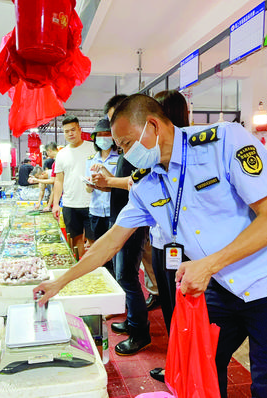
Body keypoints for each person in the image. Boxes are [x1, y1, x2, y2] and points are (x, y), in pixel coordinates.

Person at [36, 94, 267, 398]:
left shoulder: (223, 142)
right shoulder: (147, 182)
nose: (125, 153)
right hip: (226, 286)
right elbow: (110, 242)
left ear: (152, 126)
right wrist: (60, 282)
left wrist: (209, 264)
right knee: (196, 369)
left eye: (125, 144)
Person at [91, 94, 153, 356]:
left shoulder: (141, 149)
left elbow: (136, 182)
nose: (115, 130)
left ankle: (140, 332)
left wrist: (108, 182)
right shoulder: (126, 148)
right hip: (122, 217)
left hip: (133, 222)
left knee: (127, 276)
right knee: (122, 275)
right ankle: (132, 321)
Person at [146, 89, 191, 383]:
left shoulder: (191, 154)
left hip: (188, 250)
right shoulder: (154, 158)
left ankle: (184, 366)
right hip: (163, 244)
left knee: (183, 310)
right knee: (170, 307)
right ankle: (176, 364)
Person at [51, 116, 95, 259]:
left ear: (79, 130)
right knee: (75, 243)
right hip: (70, 203)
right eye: (66, 131)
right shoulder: (61, 154)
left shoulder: (93, 148)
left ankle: (95, 272)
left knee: (94, 243)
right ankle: (80, 274)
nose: (70, 133)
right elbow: (59, 181)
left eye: (73, 130)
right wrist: (56, 204)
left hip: (92, 203)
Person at [85, 117, 119, 276]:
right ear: (95, 139)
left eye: (107, 134)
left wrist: (105, 172)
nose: (103, 138)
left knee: (114, 248)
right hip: (96, 210)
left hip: (114, 211)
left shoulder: (120, 158)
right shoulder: (90, 160)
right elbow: (88, 189)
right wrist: (89, 185)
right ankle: (103, 276)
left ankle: (115, 278)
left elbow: (119, 184)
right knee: (98, 247)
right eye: (100, 135)